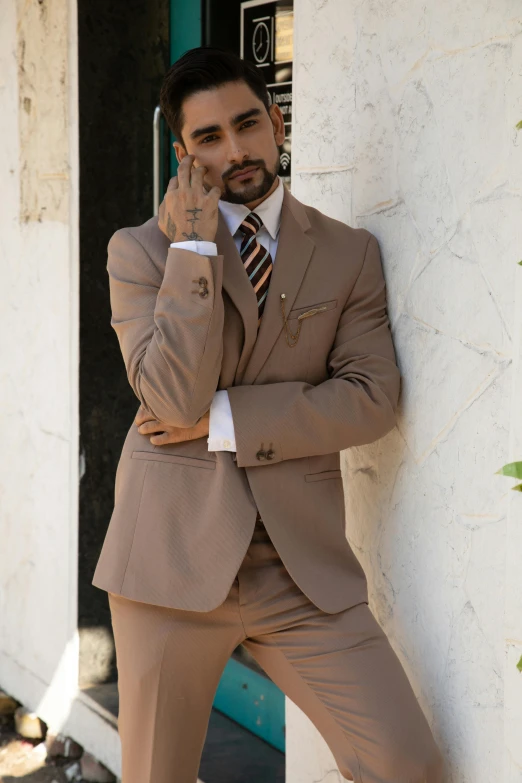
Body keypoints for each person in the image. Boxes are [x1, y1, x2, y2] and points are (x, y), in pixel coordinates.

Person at [92, 46, 444, 783]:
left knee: (405, 760)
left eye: (248, 124)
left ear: (277, 122)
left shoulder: (348, 254)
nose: (237, 150)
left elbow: (371, 398)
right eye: (209, 139)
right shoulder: (142, 253)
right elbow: (169, 402)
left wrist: (225, 420)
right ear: (183, 155)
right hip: (170, 565)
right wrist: (191, 245)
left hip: (300, 570)